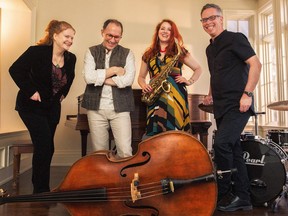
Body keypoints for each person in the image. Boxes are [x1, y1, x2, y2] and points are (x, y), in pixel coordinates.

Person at [200, 3, 262, 212]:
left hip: (238, 104)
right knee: (234, 149)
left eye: (212, 18)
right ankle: (243, 197)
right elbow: (214, 75)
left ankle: (225, 190)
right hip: (221, 106)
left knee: (222, 144)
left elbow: (256, 64)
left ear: (221, 18)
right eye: (204, 20)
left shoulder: (236, 38)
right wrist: (210, 94)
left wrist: (248, 94)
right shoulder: (210, 49)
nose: (208, 22)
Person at [9, 20, 76, 193]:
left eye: (72, 37)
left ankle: (40, 187)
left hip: (52, 108)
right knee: (45, 144)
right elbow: (15, 69)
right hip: (31, 107)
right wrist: (31, 91)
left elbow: (70, 79)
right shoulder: (36, 52)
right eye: (66, 36)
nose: (70, 40)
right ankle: (41, 191)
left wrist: (62, 95)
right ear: (55, 36)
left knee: (48, 146)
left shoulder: (71, 58)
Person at [138, 19, 202, 139]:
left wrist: (189, 81)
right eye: (162, 28)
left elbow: (198, 68)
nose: (165, 31)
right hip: (155, 95)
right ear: (157, 31)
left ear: (173, 33)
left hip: (176, 95)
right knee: (155, 132)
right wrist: (144, 85)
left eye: (169, 29)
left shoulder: (180, 51)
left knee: (175, 131)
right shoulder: (148, 54)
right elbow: (141, 77)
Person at [82, 19, 135, 158]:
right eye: (109, 35)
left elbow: (128, 80)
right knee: (100, 154)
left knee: (125, 152)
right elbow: (88, 78)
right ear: (102, 32)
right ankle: (105, 180)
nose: (112, 40)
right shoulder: (91, 51)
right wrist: (114, 70)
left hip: (121, 108)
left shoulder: (128, 53)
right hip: (95, 109)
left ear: (121, 36)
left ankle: (124, 180)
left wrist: (100, 78)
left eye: (116, 37)